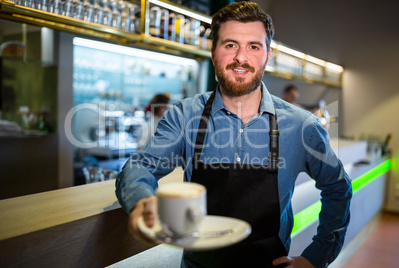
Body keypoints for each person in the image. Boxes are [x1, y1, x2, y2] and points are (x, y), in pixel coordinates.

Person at [116, 2, 352, 268]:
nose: (241, 57)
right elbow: (140, 167)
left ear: (267, 56)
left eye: (253, 46)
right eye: (230, 45)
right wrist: (142, 200)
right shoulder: (184, 115)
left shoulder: (301, 126)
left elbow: (338, 187)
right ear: (213, 51)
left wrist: (316, 257)